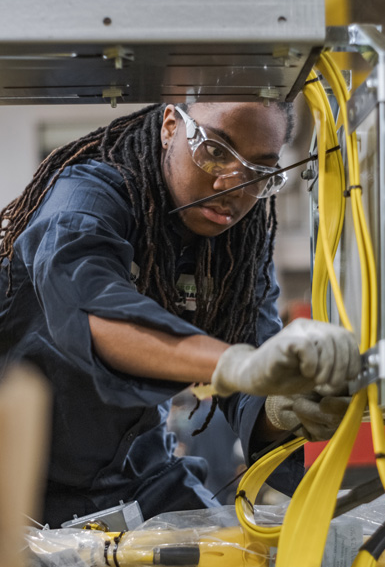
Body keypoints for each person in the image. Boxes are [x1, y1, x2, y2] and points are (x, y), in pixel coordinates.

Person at [0, 102, 358, 528]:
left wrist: (280, 407)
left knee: (243, 552)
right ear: (171, 125)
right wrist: (235, 364)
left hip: (138, 475)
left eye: (259, 172)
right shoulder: (88, 197)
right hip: (19, 476)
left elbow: (254, 375)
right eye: (216, 151)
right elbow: (95, 313)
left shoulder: (238, 245)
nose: (233, 186)